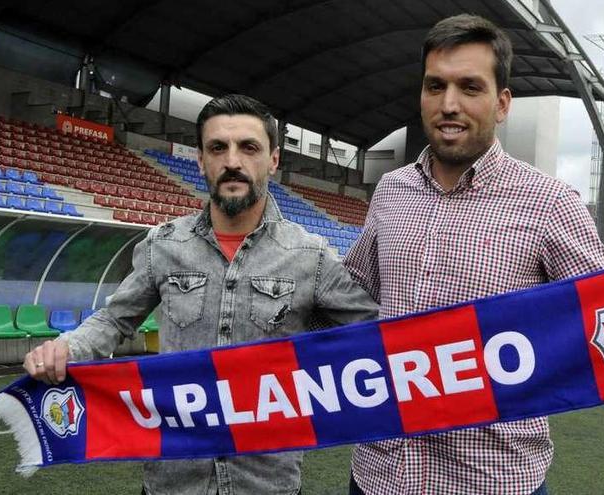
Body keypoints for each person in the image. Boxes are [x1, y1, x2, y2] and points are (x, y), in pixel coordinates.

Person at [342, 14, 604, 495]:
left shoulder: (549, 203)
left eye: (470, 87)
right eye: (435, 85)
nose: (449, 104)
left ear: (502, 103)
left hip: (491, 481)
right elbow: (353, 297)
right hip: (378, 475)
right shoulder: (391, 192)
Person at [24, 94, 379, 495]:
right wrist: (66, 348)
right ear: (200, 160)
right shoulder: (163, 245)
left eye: (249, 147)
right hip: (172, 481)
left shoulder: (310, 255)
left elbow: (378, 334)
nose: (232, 161)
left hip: (267, 483)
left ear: (274, 160)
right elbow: (113, 319)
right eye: (217, 148)